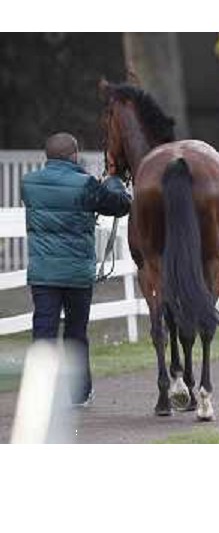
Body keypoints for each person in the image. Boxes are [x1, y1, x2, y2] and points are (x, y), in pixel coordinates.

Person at [21, 133, 131, 406]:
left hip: (44, 273)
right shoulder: (86, 185)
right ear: (74, 155)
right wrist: (115, 183)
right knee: (75, 334)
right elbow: (120, 205)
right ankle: (79, 394)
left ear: (47, 155)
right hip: (77, 275)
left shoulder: (29, 183)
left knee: (43, 332)